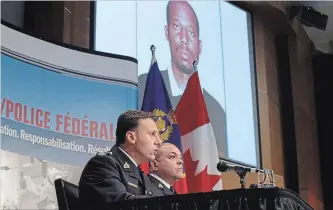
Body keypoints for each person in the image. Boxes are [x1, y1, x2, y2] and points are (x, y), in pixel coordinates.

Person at [138, 0, 228, 157]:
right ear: (167, 32)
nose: (184, 38)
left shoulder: (215, 110)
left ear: (200, 46)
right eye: (176, 27)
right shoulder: (145, 87)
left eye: (191, 32)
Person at [79, 110, 162, 210]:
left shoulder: (142, 176)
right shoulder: (103, 164)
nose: (159, 141)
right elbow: (121, 205)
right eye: (152, 134)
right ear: (131, 137)